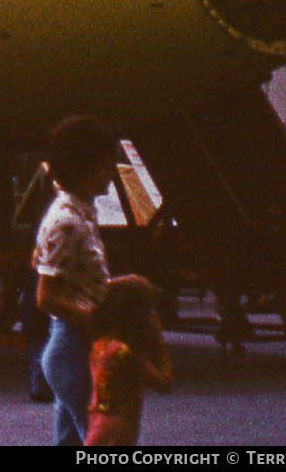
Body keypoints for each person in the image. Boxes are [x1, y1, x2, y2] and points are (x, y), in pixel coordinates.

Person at [33, 115, 117, 446]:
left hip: (77, 345)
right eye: (106, 165)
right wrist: (97, 319)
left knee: (70, 440)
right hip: (73, 347)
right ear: (88, 168)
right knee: (101, 438)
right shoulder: (66, 221)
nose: (111, 172)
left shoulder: (79, 214)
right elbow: (46, 298)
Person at [85, 276, 173, 445]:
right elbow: (165, 383)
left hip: (98, 422)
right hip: (119, 429)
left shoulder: (101, 343)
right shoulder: (124, 354)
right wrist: (160, 345)